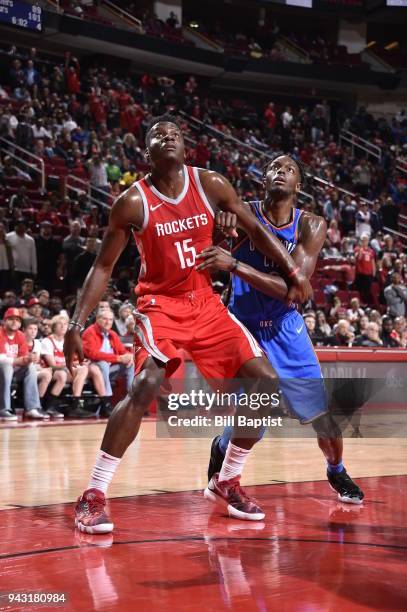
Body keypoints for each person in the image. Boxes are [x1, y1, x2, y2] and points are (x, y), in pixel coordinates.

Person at [64, 115, 311, 533]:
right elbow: (103, 267)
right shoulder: (132, 202)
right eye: (158, 134)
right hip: (160, 305)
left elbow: (254, 228)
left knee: (266, 384)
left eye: (175, 133)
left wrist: (293, 272)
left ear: (186, 147)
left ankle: (227, 480)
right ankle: (94, 493)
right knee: (143, 386)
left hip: (205, 303)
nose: (168, 137)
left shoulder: (211, 184)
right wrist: (76, 322)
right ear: (147, 153)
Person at [201, 155, 364, 505]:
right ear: (264, 181)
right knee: (255, 417)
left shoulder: (311, 225)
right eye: (274, 167)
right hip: (242, 327)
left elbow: (294, 288)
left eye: (289, 169)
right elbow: (208, 250)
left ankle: (336, 470)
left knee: (326, 421)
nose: (281, 172)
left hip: (285, 327)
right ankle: (227, 469)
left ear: (298, 186)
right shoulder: (242, 213)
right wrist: (218, 231)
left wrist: (235, 264)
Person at [42, 315, 106, 419]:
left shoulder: (69, 341)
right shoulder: (47, 341)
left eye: (65, 324)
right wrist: (74, 364)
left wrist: (83, 362)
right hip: (54, 372)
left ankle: (104, 403)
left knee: (93, 368)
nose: (63, 326)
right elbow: (53, 365)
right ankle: (70, 405)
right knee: (78, 370)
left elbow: (75, 360)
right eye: (60, 324)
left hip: (68, 371)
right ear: (54, 326)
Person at [0, 308, 49, 421]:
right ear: (4, 321)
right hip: (2, 368)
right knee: (6, 366)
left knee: (30, 367)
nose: (14, 322)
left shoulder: (20, 335)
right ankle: (3, 409)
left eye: (17, 320)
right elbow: (2, 359)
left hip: (12, 370)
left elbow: (23, 357)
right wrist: (22, 360)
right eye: (11, 319)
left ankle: (32, 408)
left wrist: (30, 358)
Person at [82, 309, 134, 415]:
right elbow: (93, 354)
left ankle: (132, 398)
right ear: (97, 319)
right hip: (93, 366)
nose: (108, 322)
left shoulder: (112, 334)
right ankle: (106, 401)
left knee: (130, 365)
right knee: (103, 363)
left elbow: (122, 352)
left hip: (110, 368)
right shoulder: (89, 332)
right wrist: (118, 358)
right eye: (105, 319)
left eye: (110, 320)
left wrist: (129, 357)